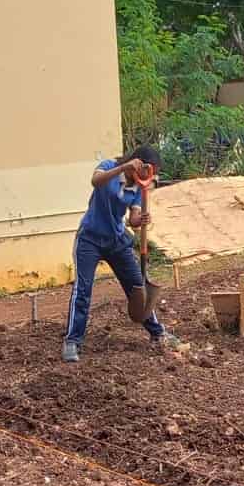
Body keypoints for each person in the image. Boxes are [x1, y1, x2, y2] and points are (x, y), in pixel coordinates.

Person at [62, 145, 178, 362]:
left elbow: (133, 220)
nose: (150, 176)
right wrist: (123, 167)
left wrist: (140, 220)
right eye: (148, 170)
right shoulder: (109, 167)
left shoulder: (138, 189)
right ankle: (72, 340)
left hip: (117, 241)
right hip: (90, 239)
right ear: (137, 163)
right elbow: (96, 182)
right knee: (83, 289)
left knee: (137, 286)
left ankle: (157, 332)